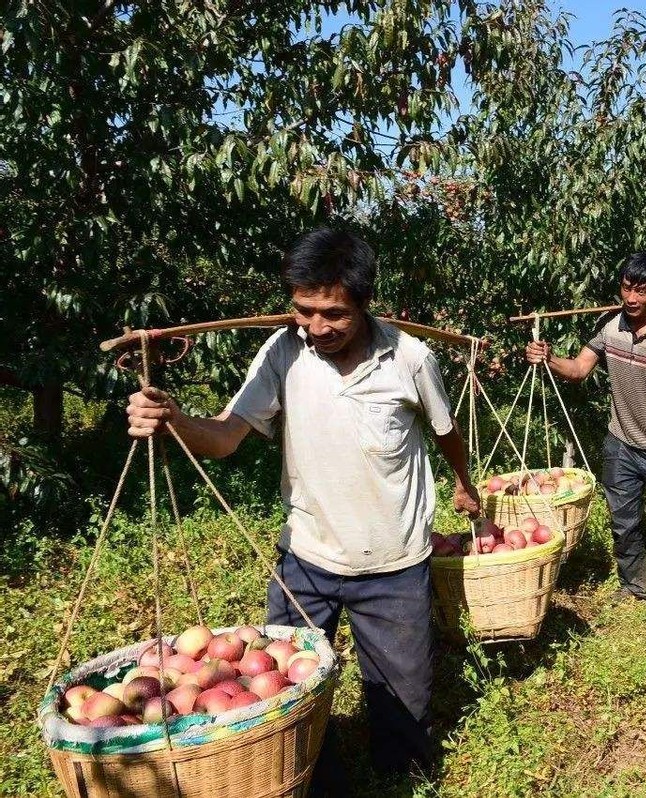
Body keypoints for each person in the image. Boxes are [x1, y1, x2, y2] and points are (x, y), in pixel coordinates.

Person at [126, 229, 480, 791]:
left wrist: (465, 483)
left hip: (393, 563)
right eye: (303, 311)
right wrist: (173, 422)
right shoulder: (283, 352)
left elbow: (446, 432)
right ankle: (315, 777)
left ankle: (399, 775)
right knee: (282, 701)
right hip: (306, 562)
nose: (316, 327)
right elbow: (224, 437)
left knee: (402, 705)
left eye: (333, 314)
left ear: (364, 303)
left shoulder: (411, 360)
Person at [525, 252, 646, 607]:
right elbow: (579, 370)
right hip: (621, 445)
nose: (631, 298)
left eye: (642, 291)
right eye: (627, 288)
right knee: (623, 521)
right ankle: (634, 585)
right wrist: (548, 358)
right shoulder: (609, 326)